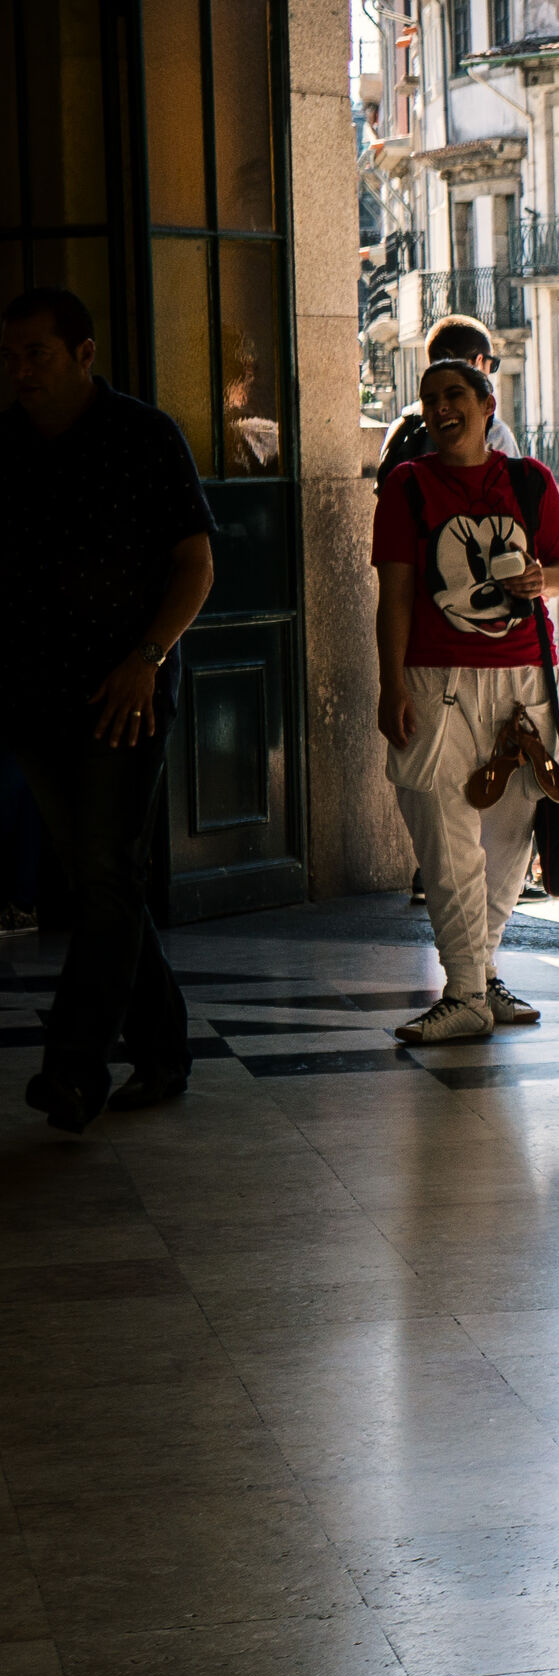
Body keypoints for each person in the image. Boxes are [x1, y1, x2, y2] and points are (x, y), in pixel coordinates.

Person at [0, 286, 214, 1129]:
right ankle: (162, 1047)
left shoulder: (145, 437)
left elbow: (195, 565)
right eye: (11, 355)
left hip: (126, 697)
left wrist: (148, 656)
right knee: (103, 880)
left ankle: (76, 1067)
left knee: (104, 874)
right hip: (31, 697)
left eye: (37, 354)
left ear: (84, 354)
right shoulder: (4, 446)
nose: (20, 370)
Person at [371, 358, 559, 1044]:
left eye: (455, 395)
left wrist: (538, 578)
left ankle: (479, 977)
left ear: (488, 404)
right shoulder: (406, 486)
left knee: (508, 841)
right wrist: (392, 682)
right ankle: (462, 989)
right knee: (444, 834)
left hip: (526, 682)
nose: (441, 409)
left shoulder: (529, 480)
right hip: (437, 680)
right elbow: (396, 593)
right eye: (430, 400)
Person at [376, 314, 518, 483]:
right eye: (491, 365)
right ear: (478, 362)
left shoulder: (400, 428)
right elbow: (515, 495)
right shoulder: (492, 432)